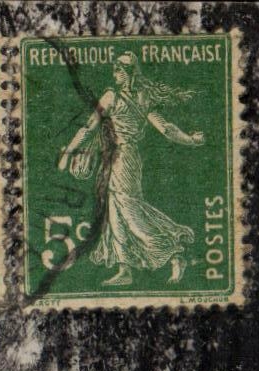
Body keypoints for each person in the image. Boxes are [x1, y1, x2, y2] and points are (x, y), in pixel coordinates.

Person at [58, 51, 205, 288]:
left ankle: (173, 251)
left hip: (121, 158)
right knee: (116, 210)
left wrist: (69, 151)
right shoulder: (143, 97)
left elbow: (88, 127)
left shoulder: (111, 96)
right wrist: (191, 140)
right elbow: (166, 129)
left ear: (127, 74)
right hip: (127, 158)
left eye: (118, 70)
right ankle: (124, 268)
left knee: (128, 211)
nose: (114, 74)